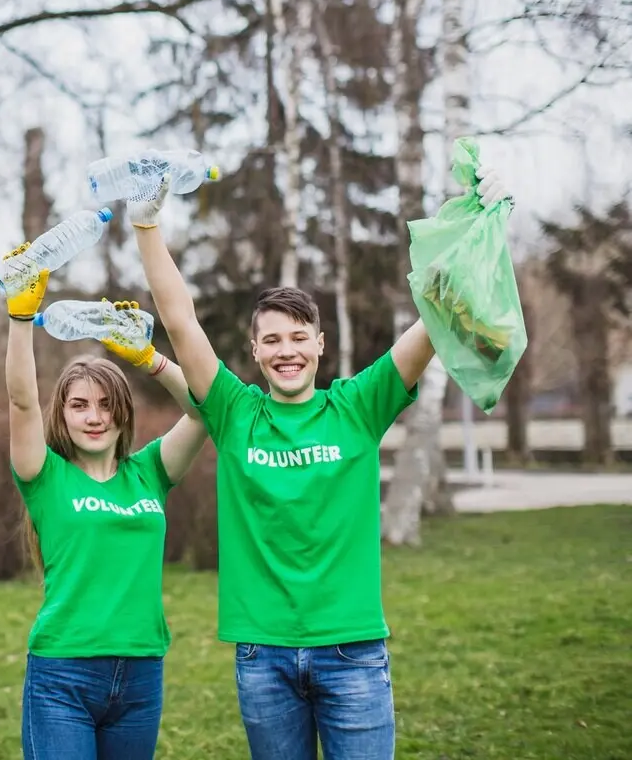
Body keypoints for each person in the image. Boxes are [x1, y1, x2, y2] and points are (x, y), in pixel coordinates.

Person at [127, 167, 512, 760]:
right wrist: (147, 225)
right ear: (254, 351)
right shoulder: (233, 412)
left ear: (320, 343)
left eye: (298, 337)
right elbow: (180, 320)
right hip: (263, 655)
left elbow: (433, 316)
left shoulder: (358, 406)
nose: (287, 351)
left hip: (352, 651)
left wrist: (475, 221)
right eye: (273, 340)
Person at [3, 251, 210, 760]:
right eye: (79, 405)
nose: (94, 417)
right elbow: (22, 401)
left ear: (122, 413)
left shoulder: (149, 472)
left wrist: (151, 360)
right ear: (63, 415)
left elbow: (207, 409)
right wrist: (20, 321)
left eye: (106, 404)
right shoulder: (44, 474)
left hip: (141, 673)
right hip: (63, 675)